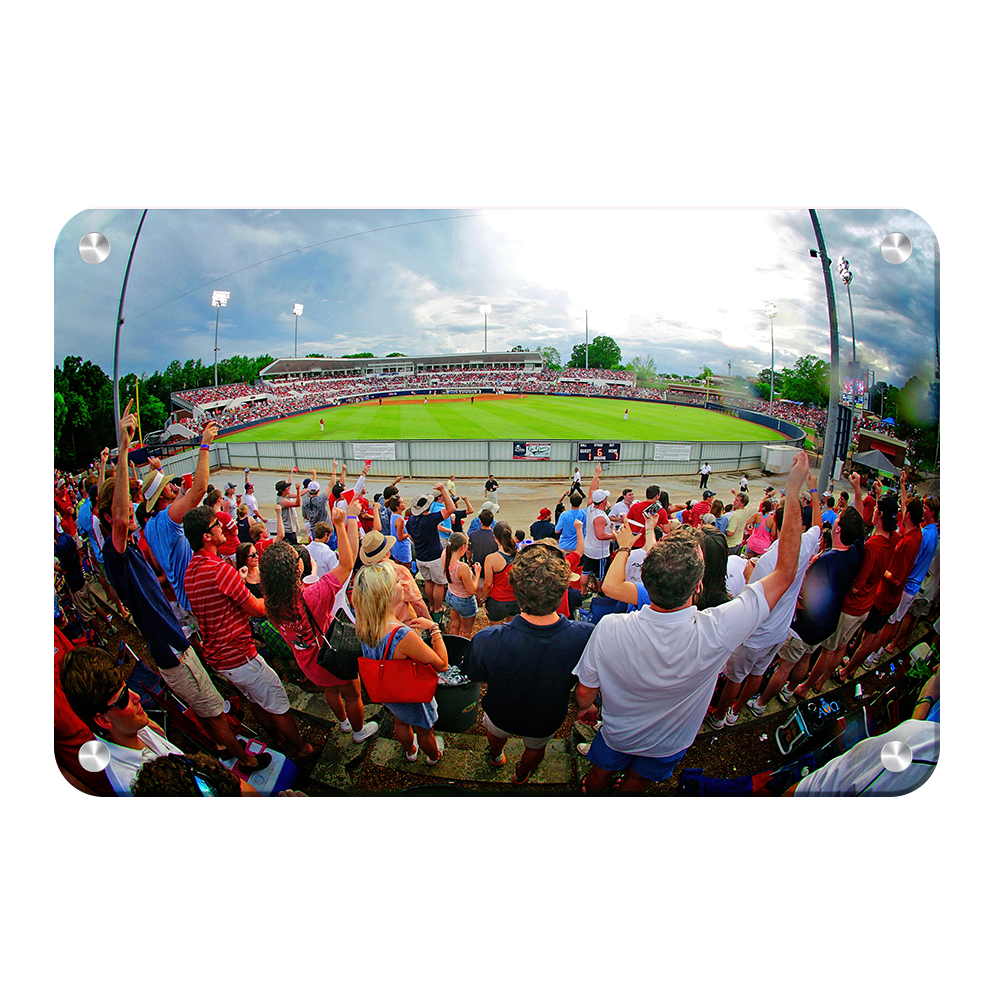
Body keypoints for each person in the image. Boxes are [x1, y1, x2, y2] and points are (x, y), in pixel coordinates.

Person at [572, 450, 811, 795]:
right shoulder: (718, 628)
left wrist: (586, 708)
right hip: (672, 741)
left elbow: (584, 692)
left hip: (618, 733)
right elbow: (786, 572)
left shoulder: (611, 628)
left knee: (600, 772)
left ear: (645, 584)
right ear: (697, 587)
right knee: (637, 782)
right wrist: (792, 490)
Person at [97, 403, 261, 770]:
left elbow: (120, 514)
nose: (175, 486)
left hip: (175, 630)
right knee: (209, 703)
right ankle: (240, 758)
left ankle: (222, 741)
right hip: (173, 645)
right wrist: (125, 451)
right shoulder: (122, 544)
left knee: (207, 695)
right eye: (168, 488)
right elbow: (125, 515)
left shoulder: (137, 538)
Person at [183, 504, 318, 761]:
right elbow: (257, 609)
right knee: (277, 701)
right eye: (216, 525)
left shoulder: (193, 569)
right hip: (239, 654)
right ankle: (303, 749)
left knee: (255, 700)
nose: (223, 527)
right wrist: (282, 591)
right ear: (206, 537)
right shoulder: (219, 570)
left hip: (219, 657)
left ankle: (276, 739)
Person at [465, 543, 596, 784]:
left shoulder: (487, 640)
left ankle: (495, 756)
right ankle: (521, 775)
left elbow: (479, 677)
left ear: (516, 590)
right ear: (562, 590)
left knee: (495, 734)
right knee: (536, 748)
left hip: (501, 709)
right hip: (545, 716)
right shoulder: (585, 636)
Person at [706, 476, 824, 728]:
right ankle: (736, 711)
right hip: (780, 630)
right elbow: (818, 526)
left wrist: (749, 576)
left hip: (758, 631)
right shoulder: (805, 544)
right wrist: (813, 490)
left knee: (735, 677)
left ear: (775, 526)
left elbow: (751, 600)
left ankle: (719, 718)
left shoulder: (770, 560)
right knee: (757, 673)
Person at [259, 506, 380, 744]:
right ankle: (358, 732)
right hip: (332, 657)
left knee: (330, 691)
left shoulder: (271, 603)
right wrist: (340, 524)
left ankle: (344, 723)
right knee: (353, 694)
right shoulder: (312, 596)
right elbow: (346, 565)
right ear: (296, 570)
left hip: (309, 663)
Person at [353, 561, 450, 764]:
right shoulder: (402, 636)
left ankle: (410, 751)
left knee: (401, 721)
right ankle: (434, 756)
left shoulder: (365, 621)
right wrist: (434, 629)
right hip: (412, 694)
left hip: (391, 690)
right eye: (397, 581)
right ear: (386, 594)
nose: (401, 584)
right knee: (425, 731)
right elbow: (442, 665)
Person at [406, 484, 458, 616]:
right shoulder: (430, 519)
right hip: (434, 556)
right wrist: (443, 490)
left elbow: (411, 537)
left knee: (428, 581)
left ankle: (431, 606)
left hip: (420, 556)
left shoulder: (411, 520)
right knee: (439, 583)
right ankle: (438, 608)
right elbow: (451, 508)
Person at [441, 531, 481, 638]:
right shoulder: (462, 567)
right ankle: (463, 651)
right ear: (463, 547)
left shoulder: (445, 554)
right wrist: (477, 574)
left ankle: (454, 646)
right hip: (464, 600)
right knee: (466, 631)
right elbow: (472, 590)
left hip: (451, 594)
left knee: (454, 625)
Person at [482, 521, 520, 624]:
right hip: (516, 599)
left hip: (498, 600)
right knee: (512, 630)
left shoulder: (491, 558)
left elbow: (488, 584)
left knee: (496, 632)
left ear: (495, 537)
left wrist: (483, 599)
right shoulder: (519, 555)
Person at [276, 475, 302, 544]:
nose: (288, 488)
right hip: (288, 530)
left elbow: (299, 495)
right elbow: (298, 504)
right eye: (287, 487)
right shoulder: (282, 501)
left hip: (289, 529)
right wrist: (298, 490)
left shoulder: (286, 496)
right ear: (282, 490)